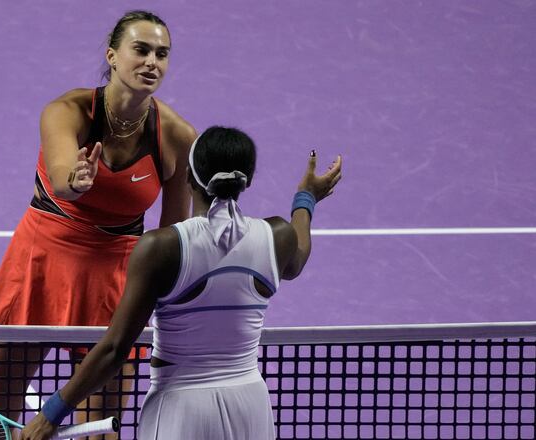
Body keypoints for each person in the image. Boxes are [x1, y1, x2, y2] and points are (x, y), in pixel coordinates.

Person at [19, 126, 343, 440]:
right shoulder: (277, 236)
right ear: (246, 180)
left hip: (181, 409)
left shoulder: (162, 247)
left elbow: (115, 349)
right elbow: (298, 255)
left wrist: (51, 414)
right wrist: (306, 198)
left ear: (188, 177)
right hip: (250, 405)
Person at [0, 9, 197, 435]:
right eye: (141, 50)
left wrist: (169, 304)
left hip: (114, 283)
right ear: (113, 56)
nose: (152, 62)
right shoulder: (68, 110)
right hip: (38, 267)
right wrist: (77, 183)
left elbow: (173, 235)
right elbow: (62, 180)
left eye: (162, 54)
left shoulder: (177, 136)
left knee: (99, 433)